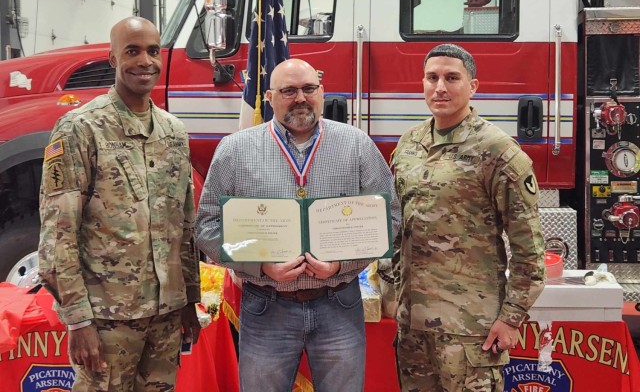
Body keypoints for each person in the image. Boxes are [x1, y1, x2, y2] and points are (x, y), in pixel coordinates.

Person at [196, 58, 401, 392]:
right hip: (267, 306)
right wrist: (260, 265)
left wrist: (340, 264)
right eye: (288, 91)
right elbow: (206, 226)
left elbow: (390, 218)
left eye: (309, 89)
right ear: (270, 98)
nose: (300, 98)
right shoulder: (234, 150)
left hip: (339, 303)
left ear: (321, 92)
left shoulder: (358, 146)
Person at [38, 17, 201, 391]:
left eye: (153, 51)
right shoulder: (80, 128)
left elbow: (184, 226)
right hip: (107, 319)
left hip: (165, 313)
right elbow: (57, 233)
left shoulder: (173, 132)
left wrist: (189, 300)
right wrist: (78, 321)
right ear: (112, 59)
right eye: (132, 51)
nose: (145, 61)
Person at [392, 43, 546, 392]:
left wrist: (511, 318)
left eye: (452, 78)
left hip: (469, 329)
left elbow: (529, 248)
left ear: (473, 86)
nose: (440, 87)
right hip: (413, 327)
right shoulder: (409, 144)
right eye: (432, 78)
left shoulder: (497, 151)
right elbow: (396, 224)